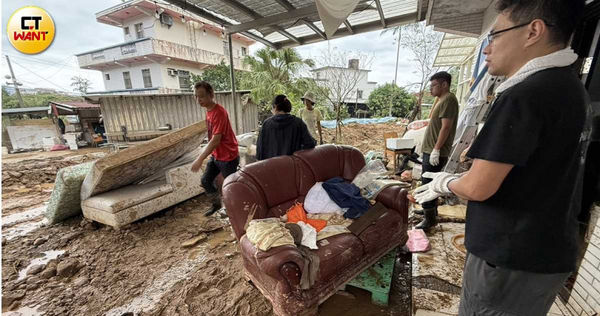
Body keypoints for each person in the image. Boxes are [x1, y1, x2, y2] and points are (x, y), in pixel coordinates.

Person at [413, 0, 588, 315]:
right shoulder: (569, 87)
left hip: (509, 258)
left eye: (494, 36)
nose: (486, 49)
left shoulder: (524, 94)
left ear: (533, 31)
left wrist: (446, 182)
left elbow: (479, 187)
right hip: (541, 252)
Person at [415, 71, 459, 230]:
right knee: (428, 182)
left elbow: (446, 127)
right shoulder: (441, 100)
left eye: (434, 85)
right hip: (430, 149)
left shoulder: (448, 100)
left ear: (444, 84)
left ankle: (430, 219)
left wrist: (436, 149)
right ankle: (429, 210)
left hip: (436, 151)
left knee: (428, 183)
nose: (431, 89)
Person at [190, 81, 240, 216]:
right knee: (205, 180)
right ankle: (217, 205)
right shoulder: (209, 111)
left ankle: (236, 212)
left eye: (201, 96)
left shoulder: (219, 112)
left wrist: (200, 159)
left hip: (228, 156)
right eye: (196, 96)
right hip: (217, 155)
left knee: (230, 187)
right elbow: (212, 138)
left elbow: (216, 140)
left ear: (211, 94)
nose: (198, 100)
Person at [256, 94, 316, 160]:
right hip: (292, 167)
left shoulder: (266, 124)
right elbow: (310, 144)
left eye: (272, 108)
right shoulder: (298, 123)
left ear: (275, 107)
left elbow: (259, 151)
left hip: (271, 167)